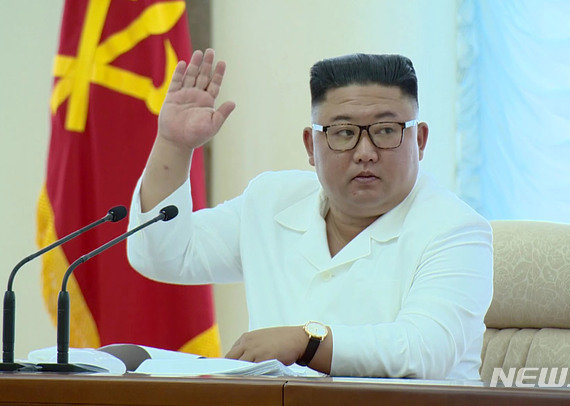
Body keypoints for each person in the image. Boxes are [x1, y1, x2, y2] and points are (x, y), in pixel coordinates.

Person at [126, 49, 493, 379]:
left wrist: (307, 341)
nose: (365, 152)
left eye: (385, 131)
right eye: (344, 133)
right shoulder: (271, 202)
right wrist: (174, 145)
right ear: (311, 146)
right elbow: (163, 256)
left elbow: (423, 352)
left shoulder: (456, 229)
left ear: (420, 140)